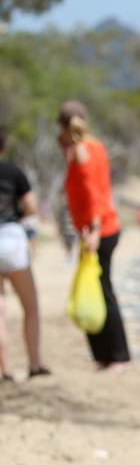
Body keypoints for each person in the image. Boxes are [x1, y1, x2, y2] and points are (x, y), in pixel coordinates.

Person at [57, 101, 131, 369]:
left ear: (62, 127)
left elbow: (92, 193)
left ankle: (118, 356)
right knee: (98, 288)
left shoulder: (81, 151)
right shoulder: (95, 145)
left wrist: (94, 230)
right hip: (102, 228)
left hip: (99, 231)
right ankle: (104, 355)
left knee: (102, 289)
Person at [0, 126, 50, 381]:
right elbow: (31, 207)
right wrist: (16, 217)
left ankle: (5, 369)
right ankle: (34, 364)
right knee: (30, 307)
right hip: (11, 238)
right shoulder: (13, 171)